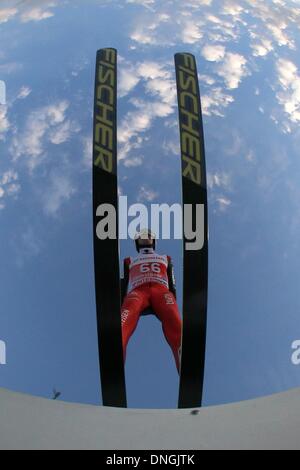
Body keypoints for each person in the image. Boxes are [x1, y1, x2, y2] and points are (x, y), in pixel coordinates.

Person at [121, 229, 182, 372]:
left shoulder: (166, 258)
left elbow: (172, 283)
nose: (145, 237)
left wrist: (172, 299)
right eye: (141, 236)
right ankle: (117, 348)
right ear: (136, 242)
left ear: (154, 240)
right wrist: (120, 303)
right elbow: (122, 283)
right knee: (125, 315)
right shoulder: (128, 260)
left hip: (161, 291)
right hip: (138, 292)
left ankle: (181, 349)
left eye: (149, 235)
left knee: (173, 316)